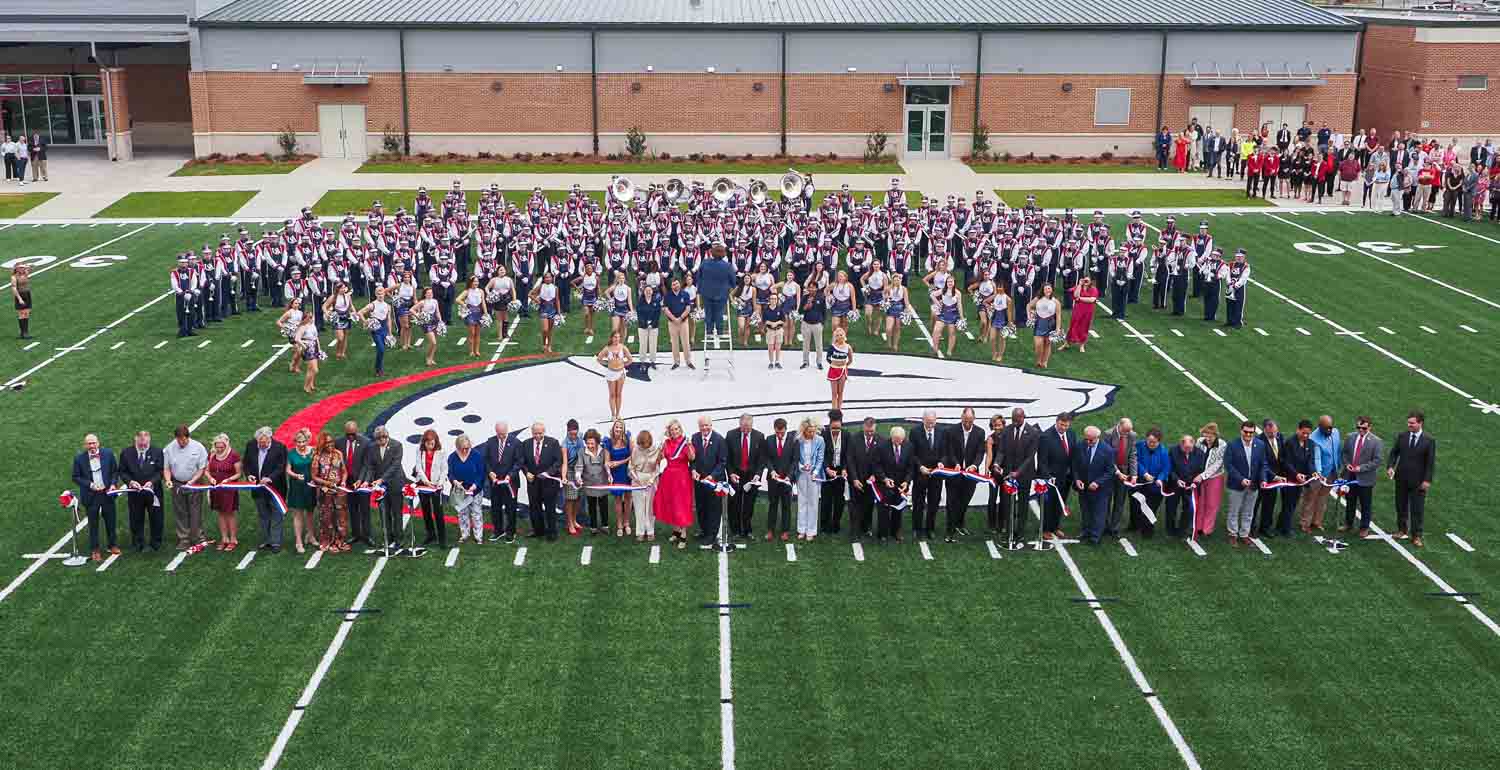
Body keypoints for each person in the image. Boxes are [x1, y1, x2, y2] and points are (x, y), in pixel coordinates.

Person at [1387, 410, 1436, 547]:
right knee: (1400, 506)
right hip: (1401, 478)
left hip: (1418, 482)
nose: (1409, 425)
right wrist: (1390, 466)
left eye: (1412, 423)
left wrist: (1427, 480)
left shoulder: (1429, 440)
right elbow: (1394, 453)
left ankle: (1416, 535)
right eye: (1408, 422)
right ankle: (1402, 530)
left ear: (1420, 423)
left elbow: (1430, 463)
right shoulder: (1402, 436)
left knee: (1417, 509)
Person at [939, 407, 985, 543]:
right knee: (952, 502)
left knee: (964, 501)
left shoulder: (979, 432)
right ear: (961, 418)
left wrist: (975, 465)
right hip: (954, 473)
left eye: (970, 421)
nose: (967, 423)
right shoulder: (951, 431)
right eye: (965, 420)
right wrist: (956, 463)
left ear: (974, 419)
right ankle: (950, 530)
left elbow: (980, 453)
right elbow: (949, 451)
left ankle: (959, 523)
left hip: (970, 474)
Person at [72, 434, 119, 562]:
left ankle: (112, 545)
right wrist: (90, 485)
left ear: (98, 443)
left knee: (111, 520)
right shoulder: (79, 459)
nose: (92, 446)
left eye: (93, 443)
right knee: (93, 524)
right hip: (91, 495)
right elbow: (75, 477)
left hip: (107, 493)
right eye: (89, 443)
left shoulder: (108, 454)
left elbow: (115, 471)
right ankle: (95, 549)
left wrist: (114, 484)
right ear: (85, 445)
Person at [162, 424, 208, 550]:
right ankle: (184, 538)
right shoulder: (169, 448)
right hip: (177, 483)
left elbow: (202, 469)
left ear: (188, 437)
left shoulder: (198, 448)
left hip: (195, 482)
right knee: (180, 511)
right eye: (179, 439)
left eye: (183, 439)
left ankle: (198, 537)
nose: (181, 442)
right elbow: (166, 468)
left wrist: (192, 481)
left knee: (195, 511)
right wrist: (168, 480)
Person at [1223, 420, 1268, 548]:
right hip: (1236, 485)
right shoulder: (1232, 445)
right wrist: (1240, 479)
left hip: (1254, 484)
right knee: (1234, 510)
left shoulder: (1260, 445)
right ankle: (1232, 534)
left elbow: (1263, 464)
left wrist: (1263, 479)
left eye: (1251, 433)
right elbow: (1228, 465)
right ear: (1241, 431)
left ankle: (1244, 534)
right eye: (1246, 432)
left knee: (1248, 511)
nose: (1248, 435)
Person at [242, 426, 288, 552]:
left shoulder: (280, 448)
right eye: (260, 442)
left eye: (265, 442)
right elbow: (246, 463)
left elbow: (281, 467)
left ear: (270, 438)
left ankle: (276, 542)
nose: (262, 444)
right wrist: (249, 475)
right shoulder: (251, 445)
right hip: (258, 487)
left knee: (276, 514)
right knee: (263, 514)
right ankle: (267, 540)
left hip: (276, 488)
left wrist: (270, 478)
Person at [119, 430, 166, 552]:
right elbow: (122, 471)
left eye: (145, 440)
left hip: (153, 492)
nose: (143, 443)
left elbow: (161, 471)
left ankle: (156, 543)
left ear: (149, 439)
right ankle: (137, 542)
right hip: (135, 492)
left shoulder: (157, 452)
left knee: (156, 517)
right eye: (140, 440)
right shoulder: (126, 453)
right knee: (135, 517)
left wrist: (152, 482)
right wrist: (130, 482)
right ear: (135, 439)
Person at [361, 426, 407, 550]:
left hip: (395, 483)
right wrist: (366, 481)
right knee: (384, 513)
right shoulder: (372, 447)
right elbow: (370, 466)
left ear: (387, 436)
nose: (381, 441)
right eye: (378, 439)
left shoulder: (397, 445)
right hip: (380, 487)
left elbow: (395, 466)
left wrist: (381, 479)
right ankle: (388, 537)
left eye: (383, 438)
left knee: (397, 512)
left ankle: (399, 540)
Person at [654, 418, 695, 548]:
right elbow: (658, 460)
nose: (674, 431)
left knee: (681, 505)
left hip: (682, 477)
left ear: (680, 429)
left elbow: (692, 457)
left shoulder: (686, 442)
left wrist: (688, 446)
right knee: (671, 503)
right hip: (669, 476)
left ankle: (683, 534)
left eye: (676, 429)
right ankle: (676, 530)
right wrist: (659, 449)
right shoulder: (666, 443)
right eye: (672, 430)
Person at [1340, 416, 1383, 538]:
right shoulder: (1350, 437)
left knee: (1365, 504)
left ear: (1369, 427)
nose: (1361, 430)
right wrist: (1347, 464)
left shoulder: (1376, 442)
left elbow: (1377, 461)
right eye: (1358, 427)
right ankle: (1348, 523)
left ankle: (1364, 527)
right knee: (1350, 501)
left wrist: (1361, 468)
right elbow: (1344, 453)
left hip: (1365, 478)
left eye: (1364, 428)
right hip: (1350, 475)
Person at [1071, 426, 1115, 546]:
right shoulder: (1080, 446)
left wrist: (1098, 482)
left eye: (1091, 440)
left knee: (1098, 513)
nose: (1088, 442)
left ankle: (1095, 537)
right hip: (1083, 487)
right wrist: (1077, 479)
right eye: (1086, 439)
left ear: (1098, 438)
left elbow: (1110, 471)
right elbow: (1074, 465)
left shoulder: (1108, 450)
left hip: (1100, 489)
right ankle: (1086, 531)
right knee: (1085, 511)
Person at [725, 414, 765, 542]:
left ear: (752, 425)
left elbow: (761, 459)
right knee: (734, 504)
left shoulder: (759, 436)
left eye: (749, 427)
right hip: (735, 475)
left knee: (749, 504)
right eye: (744, 427)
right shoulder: (730, 435)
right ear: (740, 424)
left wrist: (758, 474)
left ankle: (747, 530)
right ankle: (735, 530)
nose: (746, 429)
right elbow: (727, 458)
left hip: (751, 476)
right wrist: (730, 473)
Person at [522, 421, 563, 542]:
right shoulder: (526, 444)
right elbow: (522, 461)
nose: (538, 436)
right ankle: (538, 531)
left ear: (544, 432)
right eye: (535, 433)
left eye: (540, 433)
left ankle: (552, 532)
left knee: (550, 508)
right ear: (532, 432)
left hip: (549, 482)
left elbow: (558, 461)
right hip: (533, 482)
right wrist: (526, 472)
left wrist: (548, 473)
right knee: (535, 507)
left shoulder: (553, 442)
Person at [874, 426, 916, 544]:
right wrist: (884, 478)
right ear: (891, 437)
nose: (898, 442)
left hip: (901, 483)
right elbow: (876, 466)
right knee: (884, 509)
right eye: (895, 439)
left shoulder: (909, 447)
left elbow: (911, 467)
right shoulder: (881, 447)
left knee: (898, 508)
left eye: (900, 440)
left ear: (904, 438)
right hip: (885, 483)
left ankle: (896, 531)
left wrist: (907, 481)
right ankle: (883, 533)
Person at [908, 410, 945, 542]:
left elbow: (945, 452)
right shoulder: (915, 432)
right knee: (918, 502)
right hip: (920, 474)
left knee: (934, 503)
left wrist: (941, 462)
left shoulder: (942, 431)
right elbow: (912, 453)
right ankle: (916, 528)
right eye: (928, 422)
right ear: (923, 420)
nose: (930, 425)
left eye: (932, 422)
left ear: (936, 420)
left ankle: (930, 529)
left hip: (936, 475)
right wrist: (920, 467)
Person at [482, 421, 522, 544]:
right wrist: (490, 472)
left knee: (510, 508)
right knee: (495, 507)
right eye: (499, 434)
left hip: (510, 482)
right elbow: (486, 459)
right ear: (496, 432)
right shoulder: (490, 441)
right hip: (495, 482)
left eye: (503, 434)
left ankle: (511, 532)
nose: (501, 436)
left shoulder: (516, 443)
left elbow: (519, 461)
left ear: (507, 431)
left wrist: (510, 475)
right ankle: (498, 530)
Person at [690, 415, 726, 546]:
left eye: (707, 425)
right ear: (699, 426)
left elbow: (722, 462)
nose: (704, 428)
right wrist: (693, 470)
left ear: (711, 425)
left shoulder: (720, 440)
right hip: (699, 481)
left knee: (713, 509)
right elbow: (692, 459)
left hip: (713, 482)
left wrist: (712, 475)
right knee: (701, 507)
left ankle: (712, 534)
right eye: (702, 426)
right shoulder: (694, 438)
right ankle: (704, 531)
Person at [410, 429, 449, 548]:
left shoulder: (441, 451)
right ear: (424, 442)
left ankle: (442, 538)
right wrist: (427, 482)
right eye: (427, 443)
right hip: (424, 484)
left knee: (438, 512)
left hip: (436, 485)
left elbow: (444, 469)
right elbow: (418, 467)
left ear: (435, 441)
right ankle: (430, 534)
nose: (430, 446)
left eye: (432, 443)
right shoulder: (419, 450)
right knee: (426, 510)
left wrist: (440, 483)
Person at [312, 431, 350, 552]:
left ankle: (340, 541)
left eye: (331, 442)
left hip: (339, 491)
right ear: (322, 444)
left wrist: (343, 481)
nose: (330, 445)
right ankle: (327, 541)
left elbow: (344, 471)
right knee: (327, 517)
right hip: (325, 491)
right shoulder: (317, 456)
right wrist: (327, 483)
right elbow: (314, 476)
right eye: (327, 442)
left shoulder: (338, 454)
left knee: (341, 516)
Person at [205, 433, 242, 552]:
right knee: (220, 513)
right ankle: (224, 538)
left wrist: (229, 479)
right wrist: (210, 478)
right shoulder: (212, 455)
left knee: (230, 513)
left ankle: (233, 539)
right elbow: (206, 470)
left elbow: (238, 473)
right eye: (218, 447)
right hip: (216, 488)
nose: (219, 449)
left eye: (222, 447)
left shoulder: (233, 455)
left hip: (229, 488)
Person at [447, 434, 486, 545]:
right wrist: (455, 482)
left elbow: (481, 473)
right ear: (457, 447)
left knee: (476, 512)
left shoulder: (476, 455)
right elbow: (450, 473)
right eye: (462, 448)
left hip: (474, 490)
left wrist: (475, 485)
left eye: (467, 448)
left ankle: (478, 536)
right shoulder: (452, 457)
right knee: (462, 513)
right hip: (460, 490)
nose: (464, 450)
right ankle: (464, 534)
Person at [284, 427, 318, 553]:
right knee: (298, 515)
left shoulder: (313, 451)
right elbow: (288, 469)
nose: (301, 444)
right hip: (297, 487)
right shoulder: (291, 453)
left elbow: (317, 466)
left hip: (310, 486)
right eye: (299, 442)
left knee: (310, 512)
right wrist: (295, 475)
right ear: (295, 442)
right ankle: (298, 541)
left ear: (307, 441)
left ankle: (310, 536)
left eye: (303, 441)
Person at [1164, 435, 1205, 538]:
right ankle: (1170, 529)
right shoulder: (1173, 451)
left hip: (1191, 486)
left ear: (1193, 444)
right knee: (1171, 507)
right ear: (1181, 444)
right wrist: (1177, 480)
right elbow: (1170, 468)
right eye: (1185, 448)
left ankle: (1182, 529)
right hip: (1174, 484)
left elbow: (1201, 470)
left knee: (1188, 508)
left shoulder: (1200, 453)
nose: (1187, 451)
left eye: (1190, 448)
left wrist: (1194, 483)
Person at [1102, 418, 1137, 539]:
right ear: (1119, 426)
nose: (1127, 433)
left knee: (1120, 500)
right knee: (1107, 500)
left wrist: (1134, 475)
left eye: (1129, 431)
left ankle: (1114, 528)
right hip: (1110, 471)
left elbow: (1132, 455)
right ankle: (1104, 526)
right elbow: (1107, 457)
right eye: (1125, 431)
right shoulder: (1108, 434)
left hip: (1125, 472)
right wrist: (1117, 472)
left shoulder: (1132, 435)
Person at [792, 416, 826, 541]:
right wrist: (801, 467)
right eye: (809, 431)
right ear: (804, 430)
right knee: (802, 501)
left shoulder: (820, 440)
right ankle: (801, 529)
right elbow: (795, 457)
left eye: (813, 431)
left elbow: (820, 458)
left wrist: (815, 471)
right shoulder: (798, 440)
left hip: (814, 475)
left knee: (813, 502)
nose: (811, 433)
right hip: (801, 474)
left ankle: (811, 530)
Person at [1253, 419, 1287, 539]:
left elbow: (1282, 458)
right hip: (1260, 478)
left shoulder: (1280, 437)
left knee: (1270, 503)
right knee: (1255, 504)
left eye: (1275, 432)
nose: (1273, 435)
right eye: (1271, 433)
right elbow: (1263, 463)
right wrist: (1274, 476)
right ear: (1265, 430)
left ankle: (1265, 527)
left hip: (1274, 479)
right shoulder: (1258, 441)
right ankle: (1251, 527)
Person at [763, 418, 796, 541]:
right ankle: (770, 530)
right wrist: (771, 471)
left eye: (782, 432)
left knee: (786, 505)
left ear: (786, 429)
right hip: (773, 479)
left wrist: (789, 476)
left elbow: (795, 460)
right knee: (773, 504)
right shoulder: (769, 439)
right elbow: (766, 458)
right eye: (777, 432)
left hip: (787, 479)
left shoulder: (793, 440)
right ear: (774, 429)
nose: (780, 435)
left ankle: (785, 531)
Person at [1131, 428, 1168, 538]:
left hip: (1155, 485)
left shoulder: (1163, 452)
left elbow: (1166, 468)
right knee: (1135, 504)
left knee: (1151, 507)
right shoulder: (1139, 446)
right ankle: (1134, 525)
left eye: (1154, 442)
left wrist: (1160, 479)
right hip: (1141, 481)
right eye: (1149, 441)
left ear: (1159, 441)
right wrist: (1144, 473)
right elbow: (1135, 460)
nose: (1151, 444)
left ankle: (1147, 531)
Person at [818, 409, 850, 535]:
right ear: (830, 424)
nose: (836, 431)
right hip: (827, 471)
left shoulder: (847, 435)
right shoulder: (824, 435)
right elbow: (821, 454)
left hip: (840, 471)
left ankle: (836, 524)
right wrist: (826, 468)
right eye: (834, 428)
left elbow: (848, 454)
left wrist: (844, 469)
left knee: (839, 500)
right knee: (826, 499)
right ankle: (824, 525)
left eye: (838, 428)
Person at [1192, 423, 1226, 539]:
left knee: (1212, 503)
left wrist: (1203, 476)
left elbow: (1218, 464)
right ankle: (1198, 526)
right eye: (1205, 435)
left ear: (1215, 435)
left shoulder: (1222, 445)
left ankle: (1207, 529)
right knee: (1200, 502)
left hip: (1215, 477)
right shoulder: (1199, 441)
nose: (1207, 438)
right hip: (1199, 476)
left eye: (1210, 436)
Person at [629, 429, 662, 542]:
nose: (643, 447)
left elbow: (657, 467)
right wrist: (636, 479)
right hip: (637, 481)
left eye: (645, 445)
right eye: (641, 445)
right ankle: (640, 532)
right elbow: (631, 467)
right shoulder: (635, 450)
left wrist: (652, 480)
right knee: (639, 507)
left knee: (650, 507)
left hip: (651, 481)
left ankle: (650, 531)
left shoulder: (656, 449)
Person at [576, 428, 611, 534]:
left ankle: (605, 526)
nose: (590, 446)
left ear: (597, 442)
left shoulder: (604, 450)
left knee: (603, 505)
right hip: (589, 484)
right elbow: (579, 466)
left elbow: (607, 464)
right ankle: (593, 527)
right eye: (587, 443)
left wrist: (609, 474)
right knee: (591, 506)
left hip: (602, 483)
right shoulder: (582, 452)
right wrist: (578, 476)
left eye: (592, 443)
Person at [604, 420, 634, 537]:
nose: (618, 429)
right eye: (616, 427)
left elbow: (633, 456)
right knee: (617, 499)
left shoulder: (628, 439)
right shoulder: (608, 442)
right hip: (615, 474)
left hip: (627, 472)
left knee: (628, 498)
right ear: (613, 428)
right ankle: (620, 525)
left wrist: (619, 462)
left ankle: (627, 523)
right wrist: (609, 474)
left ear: (623, 429)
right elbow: (607, 462)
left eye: (620, 427)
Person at [356, 285, 392, 376]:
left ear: (384, 294)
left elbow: (389, 319)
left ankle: (379, 368)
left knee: (382, 349)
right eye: (378, 293)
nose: (380, 295)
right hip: (376, 330)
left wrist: (390, 333)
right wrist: (366, 322)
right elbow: (360, 312)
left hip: (384, 328)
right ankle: (378, 369)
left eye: (382, 293)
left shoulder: (388, 306)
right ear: (376, 294)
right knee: (381, 349)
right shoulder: (372, 305)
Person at [596, 331, 632, 419]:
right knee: (612, 394)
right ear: (612, 338)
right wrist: (607, 363)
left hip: (620, 373)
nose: (617, 339)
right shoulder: (607, 348)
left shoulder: (623, 347)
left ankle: (618, 413)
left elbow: (630, 359)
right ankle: (613, 414)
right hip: (611, 373)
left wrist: (623, 365)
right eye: (615, 337)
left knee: (619, 394)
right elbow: (599, 359)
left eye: (618, 337)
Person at [663, 277, 694, 370]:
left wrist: (680, 318)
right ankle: (676, 362)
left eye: (676, 283)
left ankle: (688, 361)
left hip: (683, 322)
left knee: (686, 342)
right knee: (674, 343)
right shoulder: (667, 296)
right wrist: (674, 319)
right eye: (673, 284)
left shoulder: (685, 294)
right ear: (671, 286)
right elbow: (666, 309)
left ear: (679, 284)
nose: (675, 285)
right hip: (672, 323)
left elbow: (688, 309)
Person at [1060, 277, 1096, 352]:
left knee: (1084, 327)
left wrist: (1080, 299)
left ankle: (1082, 345)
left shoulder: (1093, 289)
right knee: (1073, 326)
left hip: (1088, 312)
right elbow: (1076, 295)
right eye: (1084, 280)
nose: (1086, 282)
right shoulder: (1079, 287)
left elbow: (1092, 299)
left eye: (1087, 280)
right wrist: (1079, 285)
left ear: (1090, 282)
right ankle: (1067, 343)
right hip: (1078, 310)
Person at [1029, 284, 1059, 368]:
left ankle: (1044, 361)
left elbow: (1059, 316)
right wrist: (1030, 315)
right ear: (1043, 290)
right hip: (1039, 323)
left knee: (1047, 343)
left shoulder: (1056, 301)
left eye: (1049, 288)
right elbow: (1029, 306)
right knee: (1038, 344)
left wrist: (1057, 328)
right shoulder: (1038, 299)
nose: (1048, 290)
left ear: (1052, 290)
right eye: (1046, 289)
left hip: (1050, 324)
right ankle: (1039, 360)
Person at [826, 326, 854, 409]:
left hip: (842, 370)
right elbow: (828, 358)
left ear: (844, 335)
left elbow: (850, 360)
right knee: (834, 393)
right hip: (833, 370)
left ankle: (839, 409)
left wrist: (844, 366)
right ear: (835, 337)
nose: (839, 337)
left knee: (840, 392)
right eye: (837, 335)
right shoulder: (832, 347)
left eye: (841, 335)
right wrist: (834, 364)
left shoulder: (848, 347)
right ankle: (834, 409)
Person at [637, 283, 662, 366]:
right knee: (643, 344)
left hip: (654, 326)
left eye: (649, 290)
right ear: (644, 292)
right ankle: (642, 361)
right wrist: (645, 324)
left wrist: (652, 324)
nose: (648, 292)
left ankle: (652, 361)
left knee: (653, 344)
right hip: (642, 326)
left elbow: (658, 314)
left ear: (652, 292)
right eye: (646, 290)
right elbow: (639, 314)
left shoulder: (656, 301)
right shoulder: (640, 301)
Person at [11, 263, 31, 339]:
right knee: (22, 313)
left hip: (27, 294)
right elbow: (14, 289)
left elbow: (30, 267)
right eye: (21, 268)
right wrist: (19, 299)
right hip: (20, 295)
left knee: (27, 313)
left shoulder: (25, 273)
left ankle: (25, 332)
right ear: (17, 269)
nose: (22, 269)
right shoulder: (14, 277)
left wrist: (27, 266)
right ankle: (23, 333)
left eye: (23, 267)